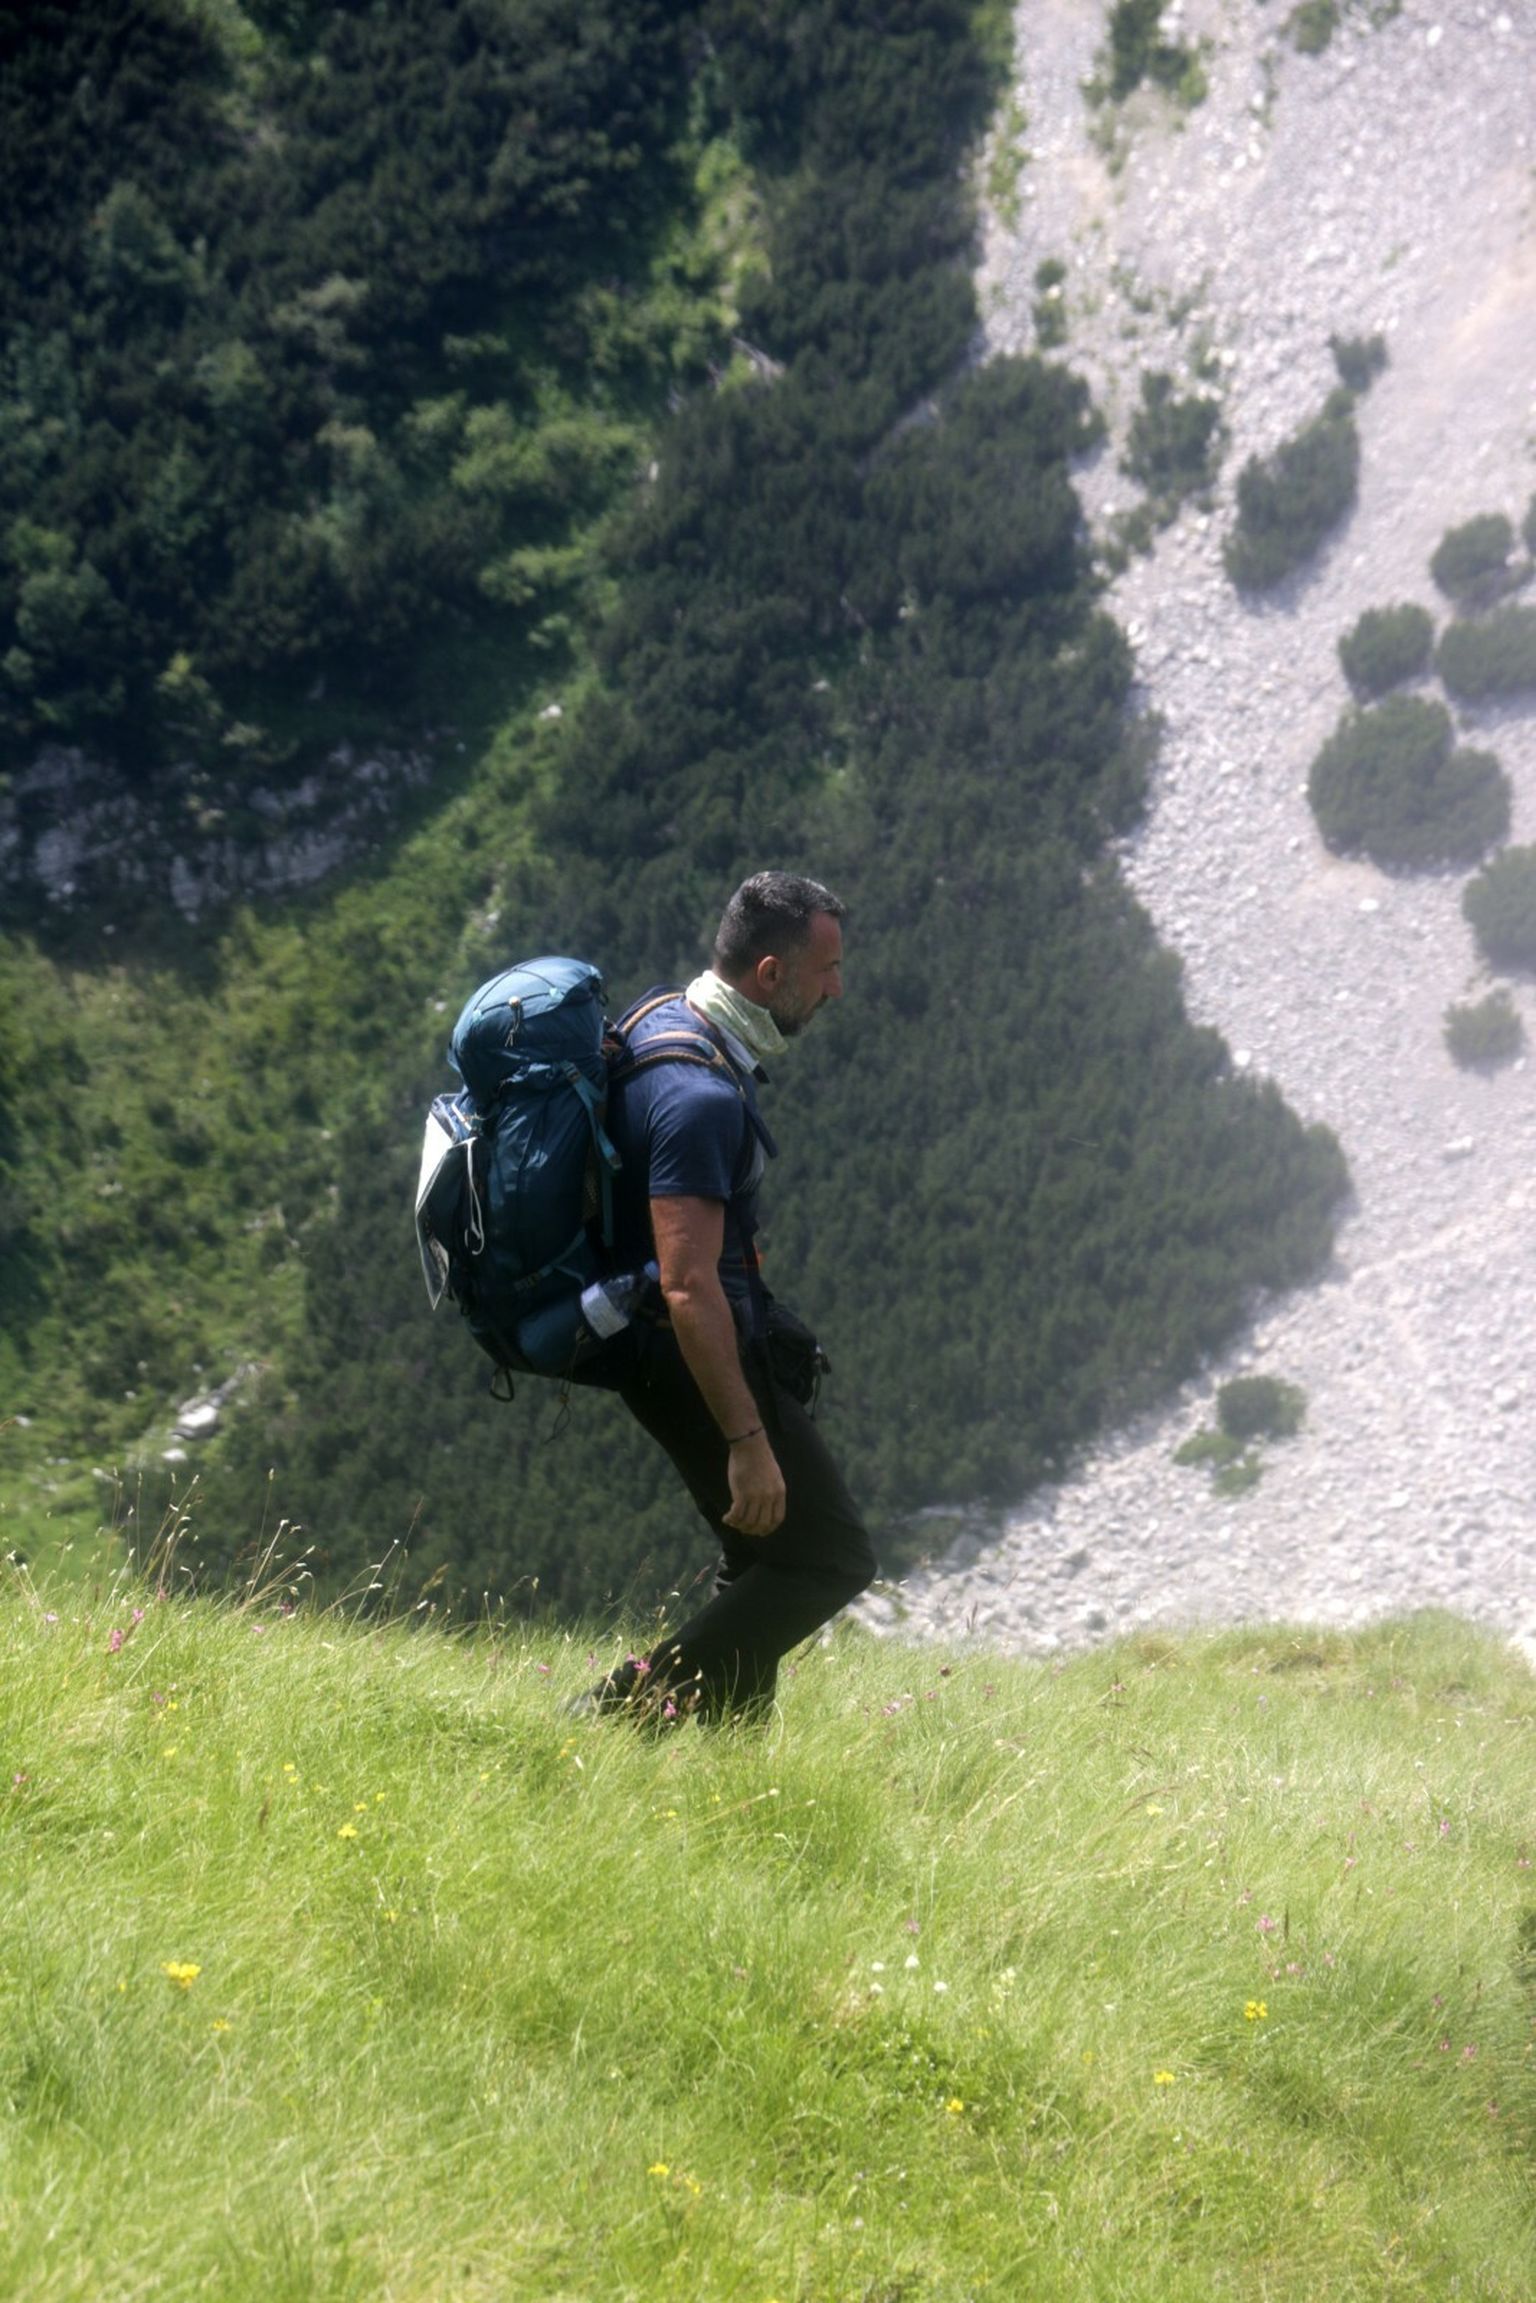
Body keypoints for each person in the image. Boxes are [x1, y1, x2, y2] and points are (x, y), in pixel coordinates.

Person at [572, 870, 877, 1723]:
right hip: (696, 1359)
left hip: (658, 1347)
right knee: (831, 1558)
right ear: (771, 973)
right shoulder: (700, 1096)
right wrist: (746, 1438)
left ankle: (730, 1760)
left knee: (762, 1558)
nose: (837, 988)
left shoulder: (662, 1018)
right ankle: (605, 1719)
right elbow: (688, 1282)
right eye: (827, 969)